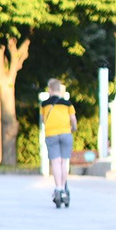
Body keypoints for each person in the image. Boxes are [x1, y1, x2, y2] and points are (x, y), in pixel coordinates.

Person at [37, 77, 76, 208]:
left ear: (50, 89)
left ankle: (58, 188)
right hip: (66, 133)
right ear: (60, 90)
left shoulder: (44, 104)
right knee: (64, 162)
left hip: (51, 134)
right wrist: (73, 128)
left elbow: (43, 120)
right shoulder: (68, 103)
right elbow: (73, 120)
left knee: (55, 162)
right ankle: (64, 191)